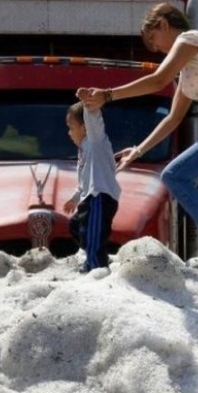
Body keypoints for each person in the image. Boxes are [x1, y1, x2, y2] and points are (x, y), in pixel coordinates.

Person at [76, 2, 198, 282]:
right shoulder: (189, 74)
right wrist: (139, 149)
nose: (158, 50)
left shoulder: (191, 39)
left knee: (174, 175)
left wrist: (107, 94)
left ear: (164, 24)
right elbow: (173, 119)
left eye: (154, 40)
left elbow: (157, 80)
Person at [64, 101, 121, 273]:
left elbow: (94, 121)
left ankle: (95, 266)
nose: (69, 132)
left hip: (100, 197)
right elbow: (83, 181)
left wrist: (89, 105)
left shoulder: (95, 142)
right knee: (76, 226)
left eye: (71, 127)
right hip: (88, 197)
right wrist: (74, 199)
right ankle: (98, 257)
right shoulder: (82, 150)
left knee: (93, 235)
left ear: (84, 127)